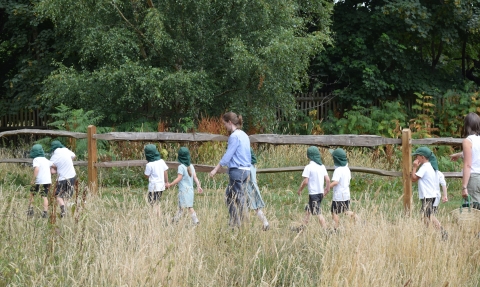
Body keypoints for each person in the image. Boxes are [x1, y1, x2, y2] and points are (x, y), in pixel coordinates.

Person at [209, 112, 251, 228]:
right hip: (245, 170)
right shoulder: (244, 135)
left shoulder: (234, 136)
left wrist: (215, 169)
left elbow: (228, 155)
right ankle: (236, 222)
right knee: (232, 196)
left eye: (225, 124)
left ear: (230, 122)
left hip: (237, 171)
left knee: (238, 197)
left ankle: (241, 223)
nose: (224, 126)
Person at [412, 147, 446, 239]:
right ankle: (425, 233)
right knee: (424, 215)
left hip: (427, 195)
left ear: (422, 157)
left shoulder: (425, 167)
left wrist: (414, 167)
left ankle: (443, 232)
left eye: (417, 156)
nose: (416, 159)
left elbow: (413, 179)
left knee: (429, 215)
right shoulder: (430, 166)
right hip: (431, 195)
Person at [450, 112, 480, 208]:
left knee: (473, 210)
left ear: (466, 125)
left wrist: (464, 187)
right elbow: (476, 154)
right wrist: (460, 154)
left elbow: (468, 165)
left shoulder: (468, 141)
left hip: (474, 178)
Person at [166, 147, 202, 225]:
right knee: (182, 207)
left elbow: (179, 178)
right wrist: (199, 186)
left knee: (189, 207)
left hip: (183, 191)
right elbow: (195, 177)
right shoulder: (191, 166)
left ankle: (196, 221)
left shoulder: (181, 167)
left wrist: (171, 184)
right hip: (190, 191)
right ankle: (175, 220)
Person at [296, 146, 330, 230]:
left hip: (313, 194)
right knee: (308, 210)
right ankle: (302, 228)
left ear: (308, 156)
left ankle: (326, 230)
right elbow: (328, 180)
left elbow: (306, 181)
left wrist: (300, 189)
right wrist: (327, 189)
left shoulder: (308, 167)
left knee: (318, 213)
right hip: (320, 193)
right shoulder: (322, 166)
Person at [328, 148, 359, 229]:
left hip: (338, 196)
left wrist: (327, 187)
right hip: (346, 195)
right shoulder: (347, 169)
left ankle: (335, 228)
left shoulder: (338, 170)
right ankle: (358, 219)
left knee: (334, 212)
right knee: (346, 211)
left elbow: (335, 182)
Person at [50, 140, 77, 218]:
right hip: (72, 176)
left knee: (58, 195)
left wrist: (57, 166)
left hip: (62, 178)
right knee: (67, 195)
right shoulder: (66, 150)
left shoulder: (53, 157)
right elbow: (74, 156)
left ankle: (63, 210)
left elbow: (52, 171)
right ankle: (66, 212)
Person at [245, 148, 269, 231]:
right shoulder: (253, 166)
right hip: (251, 185)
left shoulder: (248, 166)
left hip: (248, 187)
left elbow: (248, 178)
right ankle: (264, 223)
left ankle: (265, 223)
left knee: (252, 205)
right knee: (252, 205)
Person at [27, 144, 53, 218]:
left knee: (32, 194)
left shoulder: (36, 159)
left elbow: (37, 169)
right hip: (47, 181)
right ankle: (45, 213)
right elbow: (54, 165)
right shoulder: (46, 160)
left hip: (39, 180)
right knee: (44, 196)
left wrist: (33, 179)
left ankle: (30, 210)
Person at [144, 144, 169, 211]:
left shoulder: (149, 165)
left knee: (153, 203)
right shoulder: (161, 161)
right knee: (157, 202)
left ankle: (155, 218)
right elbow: (165, 172)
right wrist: (166, 182)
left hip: (153, 187)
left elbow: (146, 175)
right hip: (161, 186)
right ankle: (158, 217)